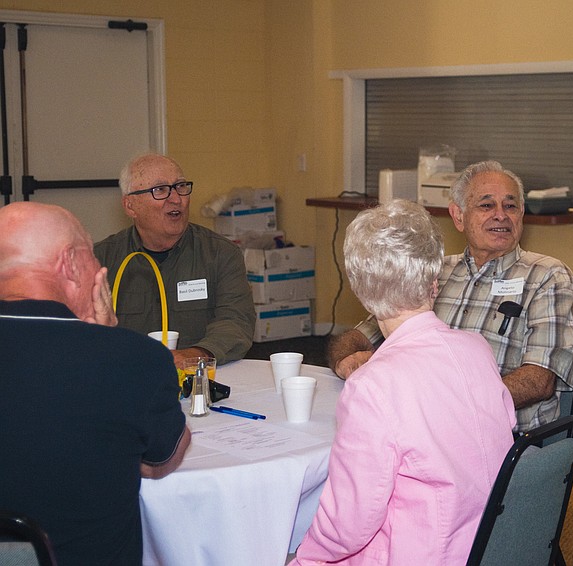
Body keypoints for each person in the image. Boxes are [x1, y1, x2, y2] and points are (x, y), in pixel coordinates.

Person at [293, 199, 516, 565]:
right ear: (434, 281)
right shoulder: (478, 350)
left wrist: (303, 557)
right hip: (490, 544)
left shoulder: (372, 386)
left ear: (361, 290)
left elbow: (348, 527)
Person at [0, 202, 190, 566]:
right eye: (91, 254)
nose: (101, 268)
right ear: (70, 263)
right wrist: (110, 339)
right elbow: (162, 461)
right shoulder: (134, 359)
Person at [328, 160, 573, 432]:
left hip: (504, 438)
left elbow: (538, 381)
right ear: (458, 216)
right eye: (486, 205)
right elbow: (358, 337)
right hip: (418, 425)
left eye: (510, 206)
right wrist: (345, 360)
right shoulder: (432, 271)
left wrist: (449, 408)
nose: (501, 215)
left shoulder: (547, 276)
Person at [95, 153, 255, 365]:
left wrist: (192, 355)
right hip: (127, 379)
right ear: (130, 206)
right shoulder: (101, 260)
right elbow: (80, 330)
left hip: (199, 378)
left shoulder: (220, 254)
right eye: (160, 190)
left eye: (180, 186)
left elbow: (236, 321)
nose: (176, 199)